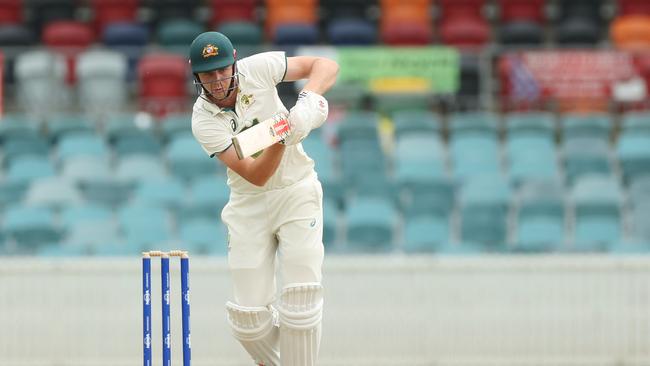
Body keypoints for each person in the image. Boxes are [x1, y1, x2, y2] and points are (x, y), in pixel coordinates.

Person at [188, 31, 338, 366]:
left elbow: (324, 65)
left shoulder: (259, 68)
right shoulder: (202, 120)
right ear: (196, 76)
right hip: (249, 203)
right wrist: (283, 136)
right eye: (207, 75)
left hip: (297, 190)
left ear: (234, 62)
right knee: (248, 322)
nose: (216, 80)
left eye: (222, 70)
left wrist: (308, 100)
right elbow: (256, 175)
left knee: (301, 301)